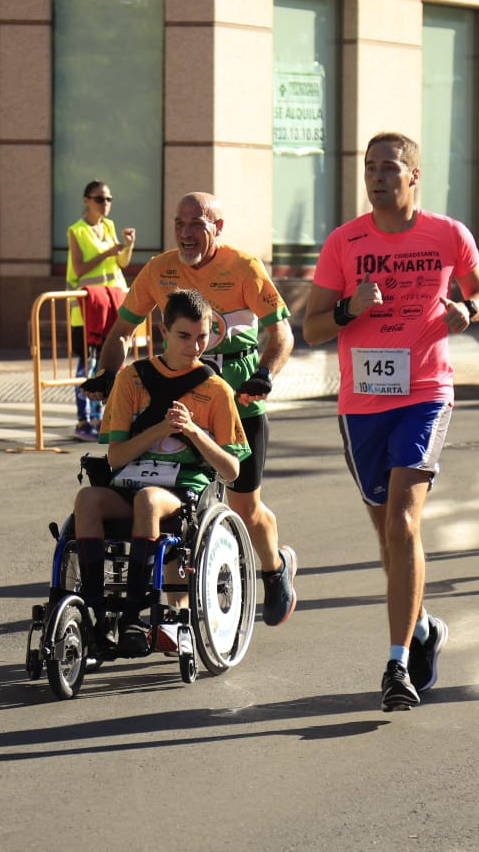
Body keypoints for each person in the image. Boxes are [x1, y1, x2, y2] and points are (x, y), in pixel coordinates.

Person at [303, 131, 479, 712]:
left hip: (425, 393)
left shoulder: (447, 234)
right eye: (369, 168)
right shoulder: (345, 242)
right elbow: (311, 328)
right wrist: (348, 308)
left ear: (414, 175)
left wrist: (468, 310)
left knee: (405, 521)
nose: (377, 177)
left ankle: (396, 663)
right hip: (362, 403)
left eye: (389, 168)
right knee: (388, 534)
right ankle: (425, 625)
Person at [83, 192, 299, 627]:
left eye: (197, 224)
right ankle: (173, 615)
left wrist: (265, 375)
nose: (185, 233)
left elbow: (282, 334)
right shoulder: (160, 269)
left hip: (236, 407)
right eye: (179, 223)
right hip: (172, 411)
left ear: (217, 228)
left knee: (246, 507)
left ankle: (275, 569)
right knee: (175, 511)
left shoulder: (244, 268)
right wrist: (109, 374)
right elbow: (122, 330)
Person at [72, 288, 250, 656]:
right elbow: (116, 455)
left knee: (148, 501)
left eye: (202, 337)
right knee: (87, 499)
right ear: (163, 331)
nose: (195, 347)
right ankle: (96, 610)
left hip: (179, 492)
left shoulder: (217, 390)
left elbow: (232, 470)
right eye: (184, 336)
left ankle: (136, 613)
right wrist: (159, 430)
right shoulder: (131, 379)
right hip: (130, 481)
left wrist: (193, 431)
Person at [65, 180, 135, 442]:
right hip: (87, 307)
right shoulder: (77, 230)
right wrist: (108, 251)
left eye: (108, 199)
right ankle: (84, 421)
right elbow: (80, 269)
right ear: (86, 201)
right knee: (87, 363)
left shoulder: (109, 226)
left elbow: (121, 263)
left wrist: (127, 246)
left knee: (109, 362)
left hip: (112, 304)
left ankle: (101, 418)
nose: (105, 204)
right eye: (99, 199)